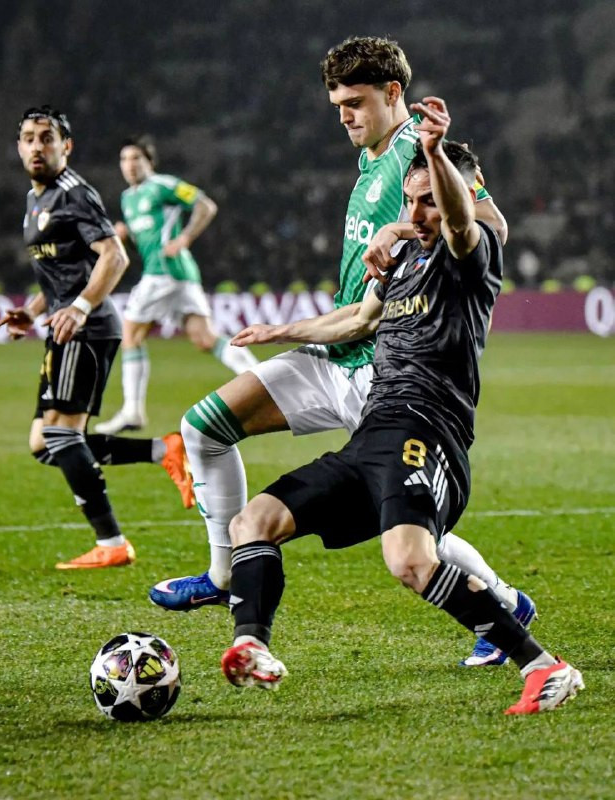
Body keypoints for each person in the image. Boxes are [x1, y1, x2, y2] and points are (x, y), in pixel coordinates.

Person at [150, 36, 529, 669]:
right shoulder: (369, 161)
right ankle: (224, 575)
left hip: (387, 365)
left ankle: (505, 603)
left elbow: (493, 228)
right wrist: (283, 331)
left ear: (393, 93)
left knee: (408, 523)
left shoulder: (418, 152)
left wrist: (403, 227)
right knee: (204, 426)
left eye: (355, 103)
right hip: (338, 346)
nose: (345, 116)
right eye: (337, 106)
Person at [219, 99, 584, 715]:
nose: (416, 214)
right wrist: (278, 331)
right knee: (253, 522)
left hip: (427, 433)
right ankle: (251, 645)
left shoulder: (470, 256)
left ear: (459, 196)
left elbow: (464, 220)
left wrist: (436, 152)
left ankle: (546, 668)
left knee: (409, 561)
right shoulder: (404, 261)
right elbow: (357, 320)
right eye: (410, 202)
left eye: (429, 202)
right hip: (372, 433)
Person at [0, 106, 193, 570]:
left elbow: (114, 257)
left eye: (47, 138)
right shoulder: (36, 199)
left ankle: (112, 543)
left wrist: (80, 308)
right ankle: (164, 449)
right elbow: (67, 271)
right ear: (19, 146)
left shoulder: (74, 193)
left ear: (66, 146)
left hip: (85, 328)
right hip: (64, 324)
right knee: (44, 444)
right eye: (29, 138)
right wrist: (33, 311)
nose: (37, 146)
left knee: (61, 433)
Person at [95, 135, 258, 435]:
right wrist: (126, 236)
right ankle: (261, 379)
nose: (129, 165)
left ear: (149, 162)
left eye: (136, 158)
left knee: (130, 334)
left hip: (163, 271)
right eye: (124, 159)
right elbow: (146, 239)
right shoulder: (127, 199)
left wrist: (185, 238)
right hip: (180, 275)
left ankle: (133, 411)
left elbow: (205, 205)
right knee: (205, 339)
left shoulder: (163, 185)